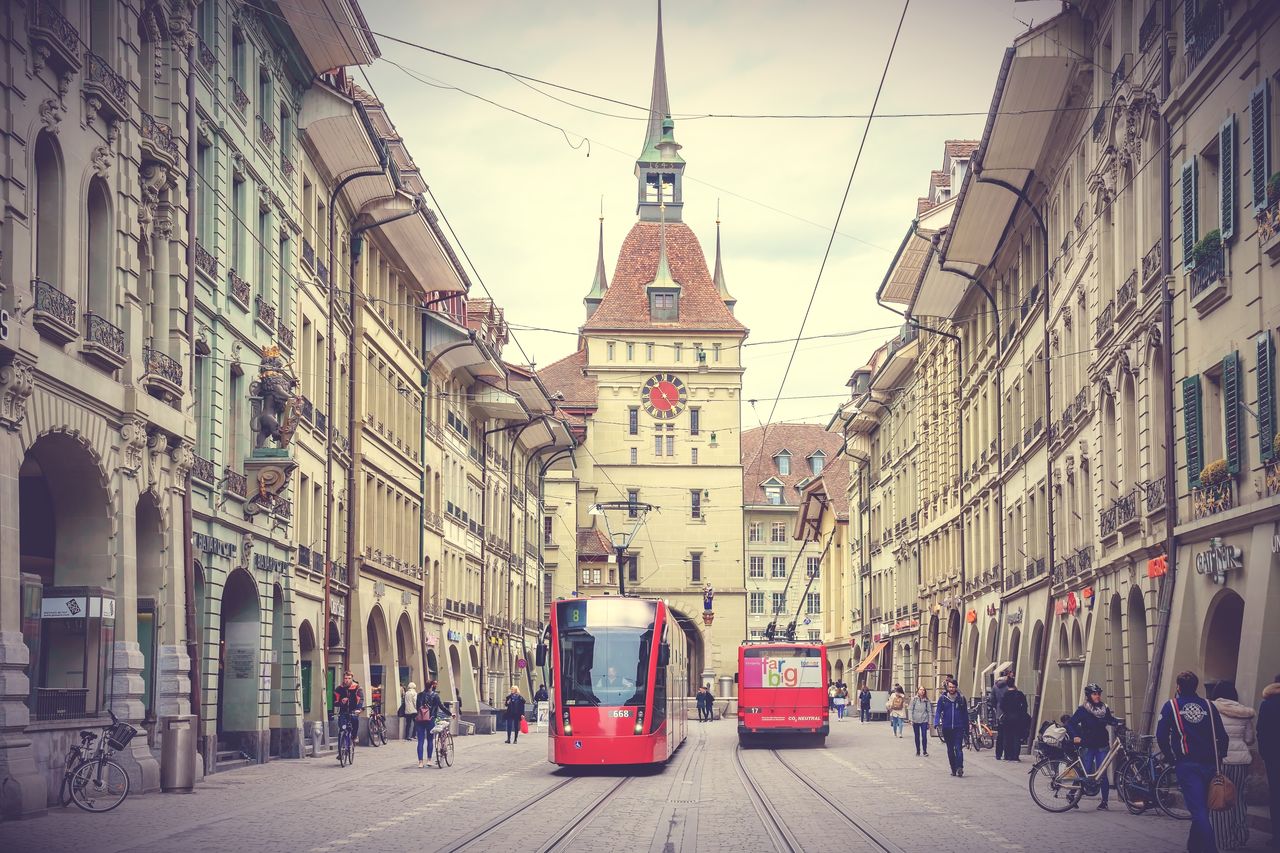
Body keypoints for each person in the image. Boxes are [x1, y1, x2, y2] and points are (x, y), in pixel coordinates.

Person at [1157, 670, 1229, 853]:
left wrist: (1171, 757)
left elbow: (1161, 736)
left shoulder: (1171, 706)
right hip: (1210, 764)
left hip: (1187, 764)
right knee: (1202, 809)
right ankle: (1194, 846)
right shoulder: (1208, 705)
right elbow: (1222, 736)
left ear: (1178, 687)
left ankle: (1211, 849)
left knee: (1199, 812)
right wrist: (1220, 757)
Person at [1209, 681, 1256, 850]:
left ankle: (1224, 842)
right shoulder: (1244, 712)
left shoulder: (1212, 709)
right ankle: (1241, 835)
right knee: (1239, 799)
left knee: (1221, 800)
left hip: (1221, 761)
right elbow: (1250, 739)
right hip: (1242, 761)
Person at [1067, 683, 1122, 809]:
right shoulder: (1083, 709)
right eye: (1094, 694)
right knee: (1084, 772)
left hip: (1102, 744)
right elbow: (1071, 723)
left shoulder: (1104, 708)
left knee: (1102, 773)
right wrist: (1075, 735)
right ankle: (1072, 794)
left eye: (1098, 694)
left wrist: (1118, 723)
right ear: (1089, 696)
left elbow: (1109, 719)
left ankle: (1104, 802)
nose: (1097, 696)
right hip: (1087, 744)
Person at [1258, 674, 1280, 850]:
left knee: (1276, 796)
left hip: (1274, 757)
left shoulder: (1267, 704)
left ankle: (1278, 837)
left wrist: (1265, 754)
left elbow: (1261, 732)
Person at [933, 679, 969, 777]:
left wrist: (966, 727)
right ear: (947, 687)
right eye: (950, 687)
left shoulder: (961, 698)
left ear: (956, 687)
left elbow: (965, 714)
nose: (951, 689)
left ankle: (960, 767)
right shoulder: (943, 699)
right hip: (947, 727)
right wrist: (936, 722)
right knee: (950, 749)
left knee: (958, 748)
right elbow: (938, 711)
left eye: (953, 687)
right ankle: (953, 768)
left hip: (958, 727)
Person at [414, 679, 448, 767]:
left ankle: (420, 762)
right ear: (432, 686)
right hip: (430, 719)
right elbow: (442, 707)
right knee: (430, 740)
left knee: (420, 741)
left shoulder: (419, 695)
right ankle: (429, 760)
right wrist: (451, 714)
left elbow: (417, 707)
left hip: (420, 719)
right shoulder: (435, 696)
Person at [333, 670, 364, 758]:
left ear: (352, 678)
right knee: (342, 729)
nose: (347, 680)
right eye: (345, 678)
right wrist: (341, 702)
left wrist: (358, 709)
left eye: (349, 678)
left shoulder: (357, 688)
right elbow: (335, 702)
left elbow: (360, 699)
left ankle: (354, 736)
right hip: (343, 712)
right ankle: (341, 752)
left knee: (355, 720)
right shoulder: (339, 689)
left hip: (353, 711)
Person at [999, 675, 1030, 762]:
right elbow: (1025, 705)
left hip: (1007, 718)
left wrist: (1006, 712)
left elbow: (1002, 706)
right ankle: (1015, 756)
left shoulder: (1005, 695)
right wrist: (1021, 713)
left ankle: (1007, 755)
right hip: (1017, 718)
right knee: (1016, 736)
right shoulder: (1019, 694)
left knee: (1007, 736)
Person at [990, 668, 1011, 760]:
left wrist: (996, 708)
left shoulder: (995, 686)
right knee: (1008, 734)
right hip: (1009, 712)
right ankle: (1007, 754)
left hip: (999, 713)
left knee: (1000, 734)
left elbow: (992, 700)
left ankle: (998, 754)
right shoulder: (1009, 685)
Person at [909, 686, 932, 757]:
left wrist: (929, 722)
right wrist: (911, 719)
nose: (922, 691)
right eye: (921, 690)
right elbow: (910, 709)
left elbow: (929, 711)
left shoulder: (926, 700)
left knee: (924, 736)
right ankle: (918, 751)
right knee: (917, 736)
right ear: (918, 691)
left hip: (924, 720)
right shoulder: (914, 699)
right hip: (915, 720)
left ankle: (925, 751)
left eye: (923, 690)